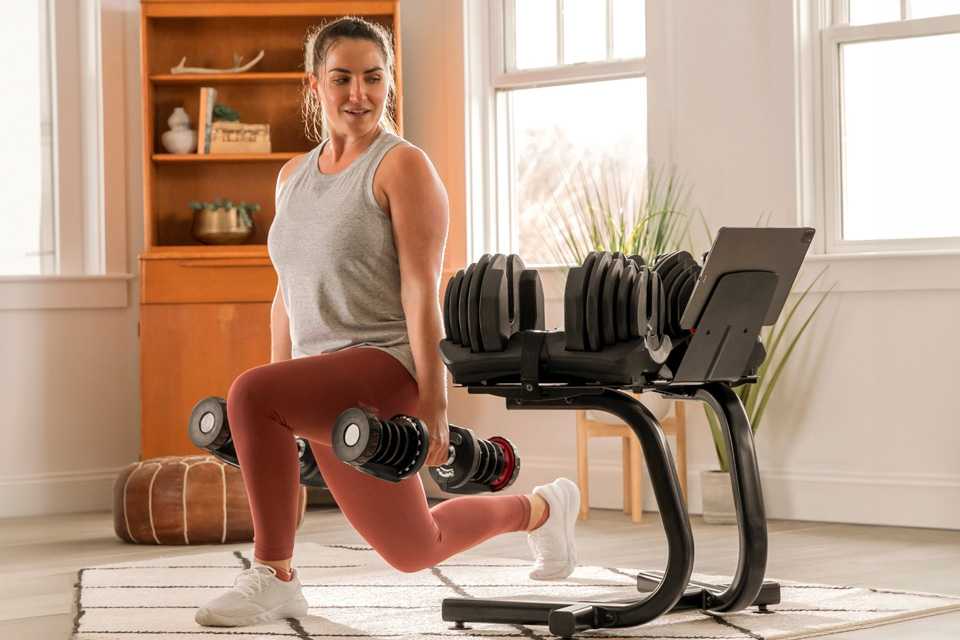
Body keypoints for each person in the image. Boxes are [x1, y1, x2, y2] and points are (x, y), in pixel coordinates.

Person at [194, 16, 580, 628]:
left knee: (248, 394)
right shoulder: (291, 177)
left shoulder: (402, 167)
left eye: (374, 78)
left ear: (389, 83)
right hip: (325, 378)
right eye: (342, 77)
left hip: (383, 367)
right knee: (412, 548)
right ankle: (542, 510)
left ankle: (275, 577)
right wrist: (284, 389)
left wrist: (436, 403)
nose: (358, 94)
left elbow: (423, 292)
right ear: (314, 82)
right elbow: (284, 294)